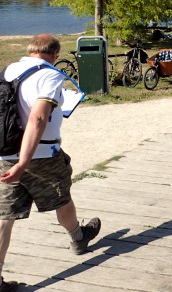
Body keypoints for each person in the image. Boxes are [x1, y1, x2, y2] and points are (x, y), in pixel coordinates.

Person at [0, 34, 101, 291]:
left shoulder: (8, 71)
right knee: (61, 197)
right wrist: (24, 161)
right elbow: (37, 118)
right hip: (42, 155)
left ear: (30, 50)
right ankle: (78, 238)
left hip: (5, 155)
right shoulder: (51, 75)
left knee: (4, 217)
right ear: (55, 54)